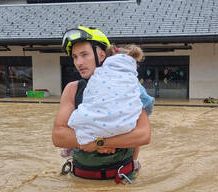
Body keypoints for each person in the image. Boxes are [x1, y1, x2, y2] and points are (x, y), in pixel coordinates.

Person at [53, 26, 151, 184]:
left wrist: (100, 143)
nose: (79, 62)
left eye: (85, 55)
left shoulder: (129, 86)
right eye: (75, 57)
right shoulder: (73, 89)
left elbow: (143, 134)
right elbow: (58, 136)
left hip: (121, 179)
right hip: (81, 179)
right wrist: (97, 143)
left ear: (101, 55)